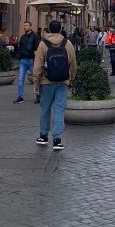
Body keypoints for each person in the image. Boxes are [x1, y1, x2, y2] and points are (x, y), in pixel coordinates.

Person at [33, 19, 77, 150]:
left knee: (45, 109)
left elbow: (37, 66)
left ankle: (43, 136)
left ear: (49, 29)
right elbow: (73, 63)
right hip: (63, 81)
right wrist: (71, 78)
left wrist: (36, 82)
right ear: (60, 29)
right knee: (59, 110)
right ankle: (57, 140)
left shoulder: (43, 44)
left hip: (46, 81)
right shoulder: (67, 43)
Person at [14, 21, 39, 104]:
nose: (25, 27)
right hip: (23, 60)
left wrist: (36, 60)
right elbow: (20, 47)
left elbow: (36, 48)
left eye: (27, 25)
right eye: (24, 25)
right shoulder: (23, 37)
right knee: (20, 79)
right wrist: (19, 55)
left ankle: (38, 95)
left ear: (30, 26)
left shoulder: (35, 36)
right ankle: (20, 97)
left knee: (36, 79)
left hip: (31, 60)